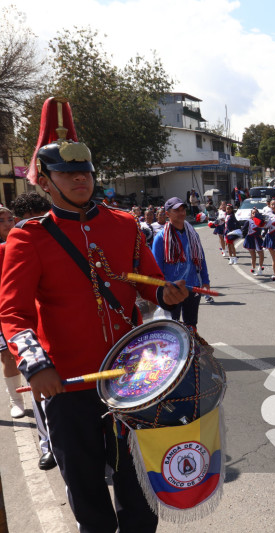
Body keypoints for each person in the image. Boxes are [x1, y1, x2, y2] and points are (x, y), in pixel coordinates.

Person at [0, 96, 188, 532]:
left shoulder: (124, 224)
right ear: (46, 181)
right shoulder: (29, 238)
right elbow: (13, 313)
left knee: (139, 490)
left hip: (132, 378)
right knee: (86, 492)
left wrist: (169, 294)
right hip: (67, 383)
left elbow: (148, 282)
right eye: (67, 172)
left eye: (84, 171)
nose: (80, 178)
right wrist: (34, 364)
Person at [7, 193, 57, 470]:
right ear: (18, 222)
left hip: (56, 329)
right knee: (40, 393)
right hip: (27, 331)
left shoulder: (57, 238)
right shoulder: (12, 246)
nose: (41, 226)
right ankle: (47, 444)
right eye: (33, 221)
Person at [152, 197, 213, 323]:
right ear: (168, 214)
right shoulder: (160, 238)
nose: (181, 213)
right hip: (171, 290)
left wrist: (205, 280)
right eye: (176, 210)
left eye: (183, 209)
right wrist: (161, 292)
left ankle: (191, 343)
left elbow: (201, 258)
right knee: (171, 327)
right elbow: (156, 268)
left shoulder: (193, 234)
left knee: (191, 326)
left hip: (193, 286)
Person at [0, 206, 25, 420]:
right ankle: (16, 400)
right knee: (7, 356)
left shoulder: (24, 241)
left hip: (26, 306)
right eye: (2, 220)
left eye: (10, 219)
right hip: (3, 309)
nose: (9, 223)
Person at [243, 208, 266, 275]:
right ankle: (254, 268)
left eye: (256, 213)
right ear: (251, 214)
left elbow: (266, 228)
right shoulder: (249, 221)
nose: (254, 214)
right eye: (253, 213)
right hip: (250, 239)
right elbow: (243, 229)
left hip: (258, 239)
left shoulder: (261, 221)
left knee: (261, 253)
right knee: (253, 255)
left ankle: (260, 267)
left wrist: (263, 234)